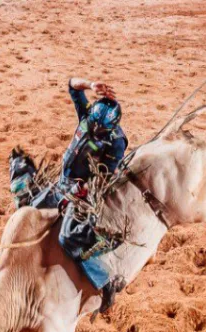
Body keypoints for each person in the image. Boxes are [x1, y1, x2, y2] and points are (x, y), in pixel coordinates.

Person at [27, 77, 128, 312]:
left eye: (98, 130)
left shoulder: (116, 143)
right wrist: (91, 85)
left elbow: (105, 179)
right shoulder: (87, 115)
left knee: (69, 240)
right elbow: (72, 84)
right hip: (63, 183)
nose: (92, 131)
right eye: (91, 125)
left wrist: (81, 191)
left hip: (84, 194)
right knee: (32, 208)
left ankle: (105, 281)